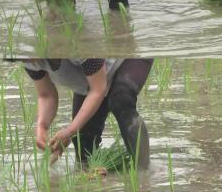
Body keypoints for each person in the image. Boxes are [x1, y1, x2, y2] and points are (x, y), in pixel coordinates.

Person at [21, 59, 151, 169]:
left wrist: (70, 131)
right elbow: (46, 94)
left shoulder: (76, 44)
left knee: (121, 99)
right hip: (94, 76)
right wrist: (42, 127)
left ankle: (144, 174)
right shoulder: (27, 56)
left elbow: (98, 89)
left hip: (126, 55)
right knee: (84, 148)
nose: (26, 60)